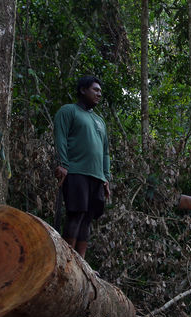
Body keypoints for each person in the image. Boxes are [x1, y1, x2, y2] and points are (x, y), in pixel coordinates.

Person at [53, 75, 111, 258]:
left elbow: (105, 152)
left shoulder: (100, 121)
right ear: (83, 90)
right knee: (76, 214)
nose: (99, 94)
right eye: (95, 90)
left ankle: (82, 263)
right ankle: (67, 259)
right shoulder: (68, 111)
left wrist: (106, 177)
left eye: (100, 91)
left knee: (88, 219)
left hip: (96, 176)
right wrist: (62, 164)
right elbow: (60, 137)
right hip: (76, 171)